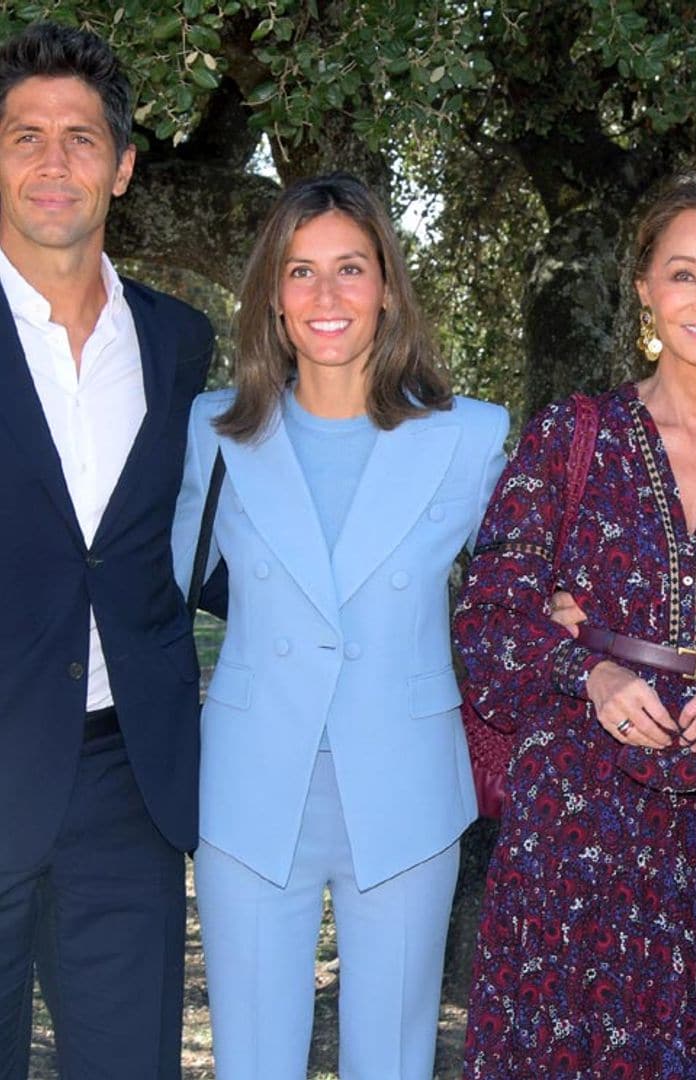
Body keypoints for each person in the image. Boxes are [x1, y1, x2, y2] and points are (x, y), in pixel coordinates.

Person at [453, 174, 696, 1077]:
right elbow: (490, 615)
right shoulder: (569, 435)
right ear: (644, 286)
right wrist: (590, 674)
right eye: (684, 273)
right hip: (574, 820)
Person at [171, 172, 508, 1080]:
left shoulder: (470, 438)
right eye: (300, 271)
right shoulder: (210, 429)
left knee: (392, 1061)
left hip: (403, 786)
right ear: (273, 299)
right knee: (251, 1060)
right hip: (250, 787)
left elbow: (520, 603)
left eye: (350, 269)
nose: (327, 296)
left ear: (388, 286)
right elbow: (166, 588)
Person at [0, 22, 213, 1079]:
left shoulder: (180, 343)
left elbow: (211, 541)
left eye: (81, 138)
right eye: (25, 135)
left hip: (128, 782)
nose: (53, 162)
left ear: (123, 166)